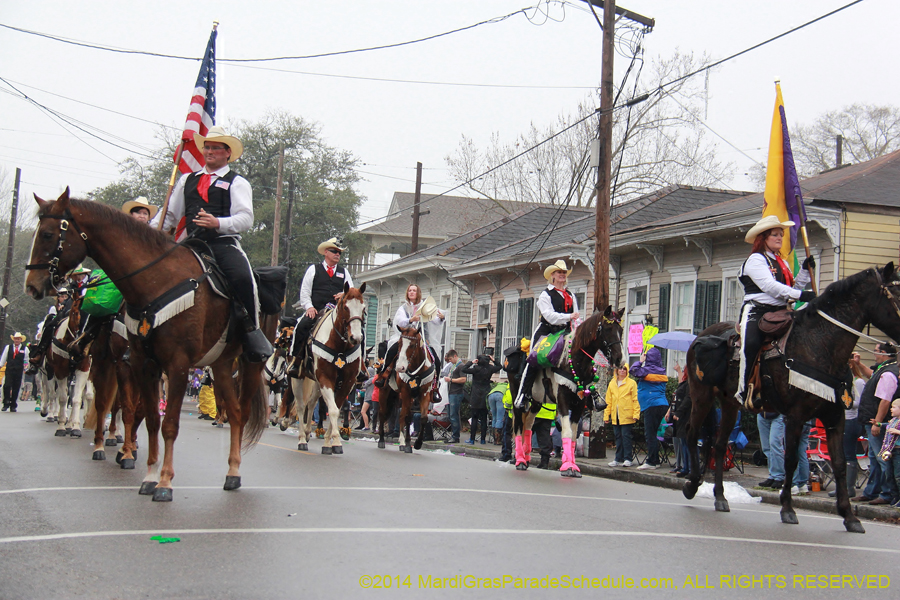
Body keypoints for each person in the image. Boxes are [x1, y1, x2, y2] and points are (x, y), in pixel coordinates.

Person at [152, 125, 272, 363]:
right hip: (191, 243)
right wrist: (145, 231)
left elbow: (246, 218)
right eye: (207, 147)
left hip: (222, 243)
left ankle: (251, 332)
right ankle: (146, 331)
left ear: (227, 152)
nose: (209, 151)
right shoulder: (187, 180)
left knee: (242, 277)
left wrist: (218, 222)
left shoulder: (237, 182)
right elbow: (169, 217)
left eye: (215, 148)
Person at [736, 215, 815, 407]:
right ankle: (744, 389)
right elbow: (770, 286)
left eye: (781, 234)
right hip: (757, 311)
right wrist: (801, 295)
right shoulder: (755, 260)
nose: (780, 238)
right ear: (763, 238)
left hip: (781, 310)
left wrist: (804, 271)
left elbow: (791, 286)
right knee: (751, 344)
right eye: (775, 235)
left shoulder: (782, 262)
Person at [514, 260, 580, 410]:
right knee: (533, 358)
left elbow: (576, 317)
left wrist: (577, 328)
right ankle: (523, 394)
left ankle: (584, 392)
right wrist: (569, 317)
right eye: (559, 272)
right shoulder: (545, 294)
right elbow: (550, 316)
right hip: (547, 331)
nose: (562, 275)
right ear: (553, 275)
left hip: (565, 331)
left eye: (564, 272)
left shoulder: (570, 295)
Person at [290, 237, 353, 371]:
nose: (337, 254)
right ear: (326, 252)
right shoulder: (313, 269)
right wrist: (309, 307)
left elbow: (351, 293)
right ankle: (297, 360)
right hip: (317, 309)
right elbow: (305, 292)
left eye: (339, 252)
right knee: (301, 327)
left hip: (337, 312)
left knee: (358, 331)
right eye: (334, 251)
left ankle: (359, 366)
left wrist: (344, 295)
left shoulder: (344, 272)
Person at [852, 342, 899, 505]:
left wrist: (877, 423)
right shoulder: (882, 370)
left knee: (882, 458)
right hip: (871, 420)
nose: (874, 354)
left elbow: (885, 400)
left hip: (877, 422)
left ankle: (887, 493)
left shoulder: (888, 374)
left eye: (876, 352)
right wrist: (859, 365)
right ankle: (872, 491)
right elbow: (872, 375)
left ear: (885, 354)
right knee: (874, 457)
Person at [376, 284, 445, 386]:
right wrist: (411, 319)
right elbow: (399, 321)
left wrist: (441, 318)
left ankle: (436, 383)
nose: (411, 292)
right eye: (410, 290)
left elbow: (434, 319)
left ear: (418, 293)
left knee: (435, 358)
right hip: (406, 338)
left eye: (414, 290)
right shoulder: (403, 308)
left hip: (421, 339)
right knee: (392, 349)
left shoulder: (424, 307)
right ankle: (385, 373)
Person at [630, 347, 669, 470]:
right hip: (662, 404)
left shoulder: (646, 370)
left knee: (650, 434)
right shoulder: (662, 371)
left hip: (651, 405)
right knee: (654, 433)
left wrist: (640, 361)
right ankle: (655, 459)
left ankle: (652, 461)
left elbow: (633, 370)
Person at [604, 363, 640, 467]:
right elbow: (608, 401)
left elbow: (635, 399)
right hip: (616, 415)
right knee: (618, 437)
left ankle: (628, 458)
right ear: (617, 370)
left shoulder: (631, 383)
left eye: (624, 369)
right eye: (620, 369)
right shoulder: (612, 383)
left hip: (627, 414)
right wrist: (607, 415)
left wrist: (636, 413)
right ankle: (618, 458)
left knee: (626, 437)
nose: (622, 371)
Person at [461, 353, 502, 444]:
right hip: (485, 394)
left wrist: (471, 362)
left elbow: (464, 369)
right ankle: (483, 439)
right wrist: (494, 360)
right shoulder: (490, 368)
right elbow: (499, 366)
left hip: (475, 395)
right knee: (484, 419)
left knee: (474, 418)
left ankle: (472, 439)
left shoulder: (476, 369)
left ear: (478, 361)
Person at [1, 332, 29, 412]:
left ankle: (13, 404)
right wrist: (1, 365)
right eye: (15, 339)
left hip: (18, 370)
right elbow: (3, 358)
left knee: (16, 388)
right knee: (7, 386)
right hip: (9, 370)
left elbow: (26, 360)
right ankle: (6, 403)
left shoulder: (25, 349)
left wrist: (26, 368)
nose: (17, 340)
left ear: (21, 340)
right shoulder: (8, 347)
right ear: (13, 339)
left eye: (18, 339)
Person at [880, 399, 900, 507]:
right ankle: (895, 495)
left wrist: (897, 432)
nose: (891, 409)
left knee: (898, 475)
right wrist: (878, 424)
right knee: (889, 474)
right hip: (890, 450)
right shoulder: (893, 421)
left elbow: (894, 430)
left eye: (894, 407)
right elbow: (886, 426)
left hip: (898, 450)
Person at [486, 380, 508, 445]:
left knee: (494, 418)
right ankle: (498, 440)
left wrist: (489, 408)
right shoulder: (507, 386)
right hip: (500, 396)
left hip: (490, 396)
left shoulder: (498, 385)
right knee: (500, 418)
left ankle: (494, 439)